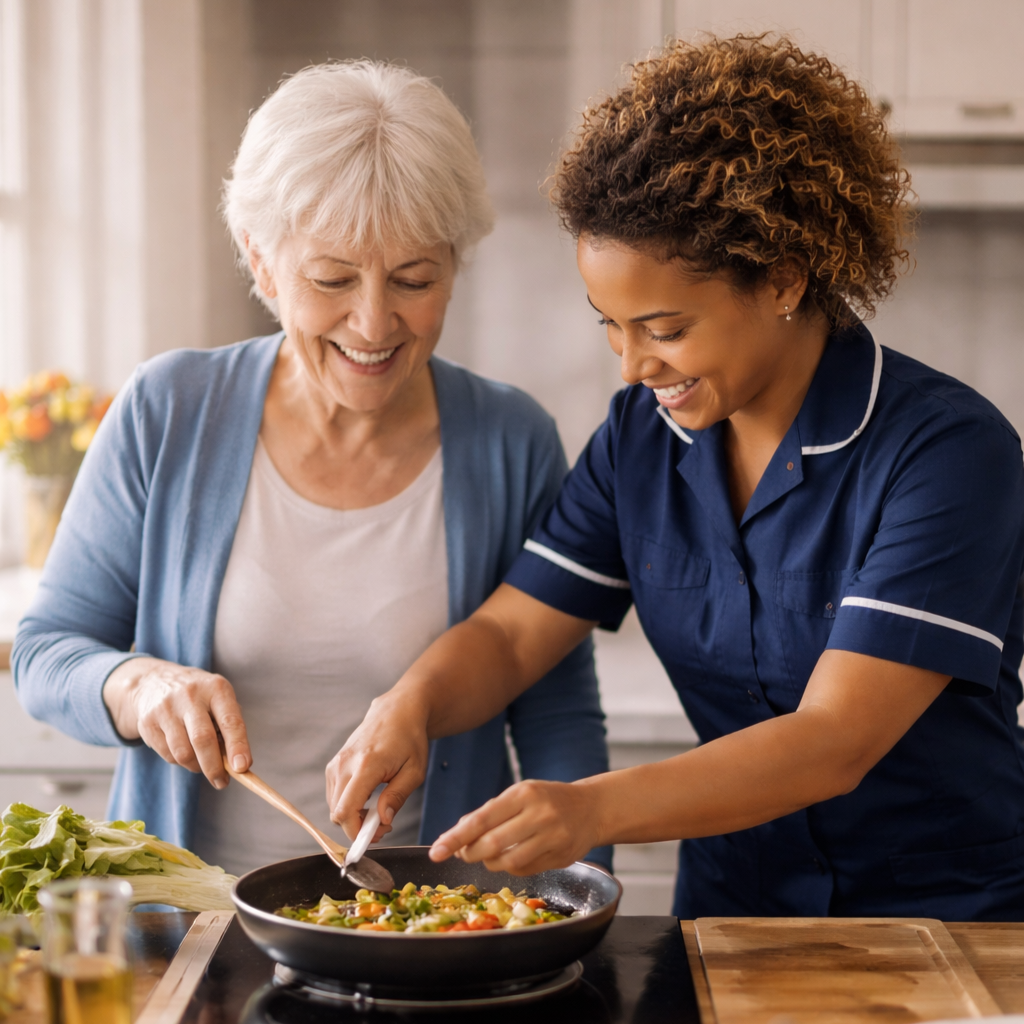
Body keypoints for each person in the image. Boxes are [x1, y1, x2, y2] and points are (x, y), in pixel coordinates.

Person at [328, 37, 1024, 921]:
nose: (631, 367)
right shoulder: (641, 438)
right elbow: (512, 636)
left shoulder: (947, 453)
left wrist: (589, 807)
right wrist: (410, 705)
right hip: (733, 916)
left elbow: (833, 742)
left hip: (946, 928)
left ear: (781, 278)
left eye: (663, 327)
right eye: (610, 326)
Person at [12, 61, 610, 877]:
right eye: (331, 279)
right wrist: (135, 684)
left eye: (414, 279)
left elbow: (556, 710)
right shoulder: (169, 409)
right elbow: (47, 653)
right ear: (262, 264)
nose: (373, 322)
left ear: (455, 267)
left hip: (430, 926)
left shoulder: (512, 440)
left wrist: (587, 896)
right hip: (188, 929)